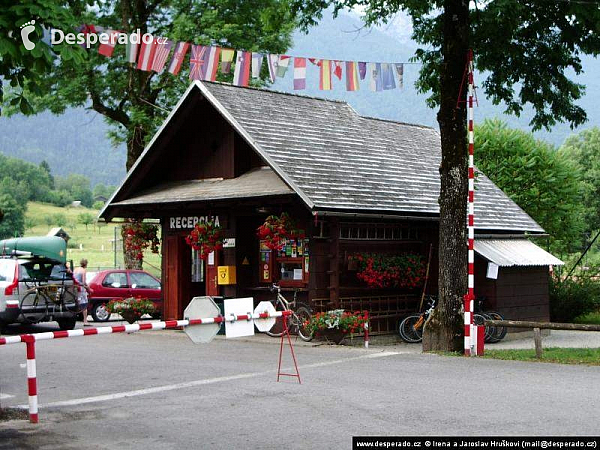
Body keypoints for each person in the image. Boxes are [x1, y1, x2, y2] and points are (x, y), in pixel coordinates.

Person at [73, 259, 91, 326]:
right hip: (81, 289)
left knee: (76, 303)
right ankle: (85, 321)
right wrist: (89, 288)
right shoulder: (83, 271)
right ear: (86, 264)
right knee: (84, 305)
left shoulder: (75, 269)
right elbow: (83, 282)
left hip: (74, 288)